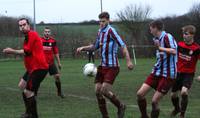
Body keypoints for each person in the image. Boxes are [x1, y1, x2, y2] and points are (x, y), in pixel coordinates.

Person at [77, 12, 133, 118]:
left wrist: (128, 61)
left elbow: (123, 46)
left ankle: (120, 106)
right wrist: (83, 48)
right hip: (102, 66)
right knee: (97, 92)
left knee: (104, 90)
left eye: (103, 21)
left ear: (108, 20)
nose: (101, 23)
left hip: (112, 67)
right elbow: (95, 46)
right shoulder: (100, 32)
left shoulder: (111, 31)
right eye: (100, 21)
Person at [3, 18, 49, 118]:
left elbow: (26, 52)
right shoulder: (27, 37)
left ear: (28, 25)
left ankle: (33, 115)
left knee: (28, 91)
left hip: (39, 68)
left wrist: (12, 51)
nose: (22, 27)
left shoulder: (32, 34)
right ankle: (28, 112)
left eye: (24, 24)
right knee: (22, 86)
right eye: (20, 25)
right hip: (32, 69)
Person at [136, 20, 177, 118]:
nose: (150, 30)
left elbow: (174, 51)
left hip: (168, 74)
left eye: (151, 28)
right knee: (140, 94)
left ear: (155, 28)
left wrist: (160, 48)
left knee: (154, 101)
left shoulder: (167, 36)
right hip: (156, 72)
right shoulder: (156, 38)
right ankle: (144, 116)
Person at [170, 25, 200, 118]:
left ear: (192, 35)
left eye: (186, 34)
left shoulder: (196, 48)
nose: (184, 35)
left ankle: (182, 114)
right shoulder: (179, 45)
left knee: (183, 92)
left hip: (188, 74)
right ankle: (177, 108)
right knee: (173, 95)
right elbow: (173, 55)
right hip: (178, 73)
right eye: (183, 34)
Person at [41, 27, 64, 98]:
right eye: (46, 32)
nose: (47, 33)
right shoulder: (39, 40)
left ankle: (59, 92)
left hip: (51, 63)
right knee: (38, 78)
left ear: (50, 33)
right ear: (43, 32)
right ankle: (33, 92)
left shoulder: (53, 41)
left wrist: (59, 63)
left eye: (48, 32)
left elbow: (56, 52)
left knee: (57, 76)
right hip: (42, 63)